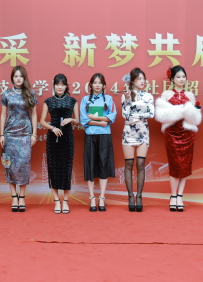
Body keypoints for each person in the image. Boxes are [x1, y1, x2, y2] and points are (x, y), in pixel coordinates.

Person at [155, 65, 201, 212]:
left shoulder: (190, 95)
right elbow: (161, 116)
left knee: (185, 165)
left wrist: (192, 111)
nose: (181, 79)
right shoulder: (166, 94)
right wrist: (180, 111)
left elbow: (195, 117)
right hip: (172, 133)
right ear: (172, 79)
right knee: (175, 165)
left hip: (187, 134)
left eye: (183, 77)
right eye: (178, 77)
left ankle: (180, 195)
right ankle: (173, 195)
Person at [0, 66, 38, 213]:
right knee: (9, 166)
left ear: (24, 78)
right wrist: (1, 135)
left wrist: (34, 134)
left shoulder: (30, 94)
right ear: (12, 78)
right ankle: (14, 197)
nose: (18, 79)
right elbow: (3, 115)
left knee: (23, 166)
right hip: (9, 135)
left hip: (25, 135)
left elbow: (34, 115)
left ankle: (22, 197)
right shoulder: (6, 94)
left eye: (21, 76)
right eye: (16, 76)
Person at [40, 74, 80, 214]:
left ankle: (66, 201)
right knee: (53, 169)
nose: (60, 87)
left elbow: (78, 120)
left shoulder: (72, 101)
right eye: (57, 84)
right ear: (54, 85)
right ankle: (56, 200)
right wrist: (52, 128)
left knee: (66, 169)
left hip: (67, 139)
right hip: (53, 139)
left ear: (66, 86)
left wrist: (71, 120)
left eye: (62, 85)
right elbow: (42, 121)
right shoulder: (48, 101)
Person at [80, 73, 117, 212]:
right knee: (90, 166)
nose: (97, 85)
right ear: (90, 85)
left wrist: (96, 119)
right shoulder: (85, 100)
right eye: (94, 82)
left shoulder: (109, 99)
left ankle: (101, 197)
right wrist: (101, 122)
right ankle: (91, 198)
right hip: (90, 135)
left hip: (104, 136)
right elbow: (84, 119)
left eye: (99, 83)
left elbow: (112, 116)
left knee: (103, 165)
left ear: (104, 85)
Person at [121, 67, 154, 212]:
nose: (142, 81)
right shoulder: (126, 95)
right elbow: (125, 115)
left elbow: (151, 114)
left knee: (140, 164)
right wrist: (129, 100)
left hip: (143, 132)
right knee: (129, 165)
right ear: (132, 81)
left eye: (143, 78)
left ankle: (139, 196)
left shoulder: (148, 96)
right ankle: (130, 196)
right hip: (128, 132)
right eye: (139, 79)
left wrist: (136, 115)